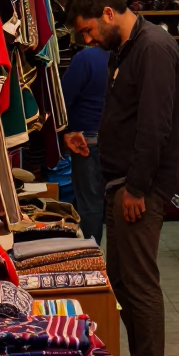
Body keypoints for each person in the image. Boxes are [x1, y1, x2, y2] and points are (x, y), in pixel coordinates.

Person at [63, 0, 179, 356]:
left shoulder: (153, 47)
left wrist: (136, 187)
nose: (88, 40)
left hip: (139, 189)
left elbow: (154, 125)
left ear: (108, 14)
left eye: (88, 30)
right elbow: (126, 117)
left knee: (139, 281)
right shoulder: (125, 49)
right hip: (121, 183)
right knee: (121, 280)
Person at [60, 37, 110, 245]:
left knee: (90, 207)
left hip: (87, 142)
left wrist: (67, 130)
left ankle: (92, 263)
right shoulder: (126, 56)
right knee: (118, 207)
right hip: (120, 142)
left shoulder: (85, 59)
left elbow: (62, 99)